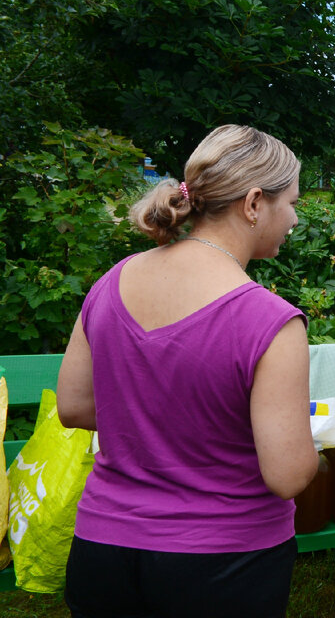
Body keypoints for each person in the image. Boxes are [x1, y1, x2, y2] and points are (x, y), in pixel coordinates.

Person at [56, 125, 318, 618]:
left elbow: (74, 407)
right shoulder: (270, 321)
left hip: (103, 551)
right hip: (223, 563)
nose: (295, 219)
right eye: (292, 203)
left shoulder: (111, 282)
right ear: (255, 203)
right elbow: (287, 474)